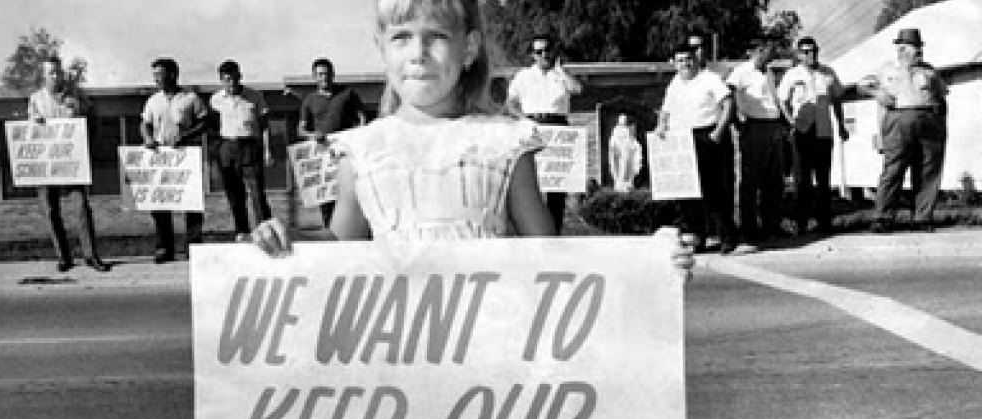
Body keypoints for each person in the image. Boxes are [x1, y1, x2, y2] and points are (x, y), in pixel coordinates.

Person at [251, 0, 694, 278]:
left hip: (487, 349)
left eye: (437, 37)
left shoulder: (503, 143)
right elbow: (340, 248)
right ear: (381, 48)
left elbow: (549, 252)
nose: (418, 54)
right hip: (396, 348)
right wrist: (282, 238)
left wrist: (646, 263)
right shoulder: (361, 150)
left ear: (469, 48)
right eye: (401, 37)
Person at [857, 28, 948, 233]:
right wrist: (877, 92)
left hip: (929, 120)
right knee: (893, 169)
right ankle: (883, 217)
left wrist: (941, 122)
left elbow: (942, 94)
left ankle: (922, 218)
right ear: (902, 49)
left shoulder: (929, 71)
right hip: (898, 119)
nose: (919, 52)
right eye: (915, 48)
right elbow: (861, 85)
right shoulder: (886, 70)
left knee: (928, 169)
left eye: (919, 47)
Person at [27, 56, 110, 273]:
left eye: (58, 72)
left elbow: (93, 121)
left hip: (72, 162)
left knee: (81, 207)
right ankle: (63, 257)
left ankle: (91, 256)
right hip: (47, 164)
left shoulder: (76, 98)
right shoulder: (35, 99)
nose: (55, 76)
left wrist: (88, 147)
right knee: (50, 209)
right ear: (43, 76)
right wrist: (34, 124)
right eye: (51, 73)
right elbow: (28, 133)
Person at [655, 44, 738, 254]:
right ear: (674, 63)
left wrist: (719, 130)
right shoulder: (674, 83)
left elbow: (728, 104)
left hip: (707, 135)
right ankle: (697, 238)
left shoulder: (710, 79)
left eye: (688, 59)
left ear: (696, 59)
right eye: (680, 60)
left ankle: (727, 238)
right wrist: (661, 127)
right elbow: (665, 111)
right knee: (688, 192)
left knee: (714, 191)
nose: (685, 63)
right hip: (682, 140)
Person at [505, 32, 583, 234]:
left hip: (558, 129)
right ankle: (534, 235)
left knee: (557, 190)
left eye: (547, 50)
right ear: (533, 55)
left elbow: (577, 90)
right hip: (533, 126)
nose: (544, 54)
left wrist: (561, 71)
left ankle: (555, 234)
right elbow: (510, 103)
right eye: (539, 51)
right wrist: (524, 120)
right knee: (534, 185)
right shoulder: (523, 76)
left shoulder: (561, 75)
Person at [140, 58, 210, 263]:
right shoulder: (153, 100)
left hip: (185, 155)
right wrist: (148, 138)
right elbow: (145, 123)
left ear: (173, 74)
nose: (156, 80)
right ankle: (164, 248)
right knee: (160, 202)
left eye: (160, 75)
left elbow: (205, 122)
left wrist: (187, 136)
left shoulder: (190, 98)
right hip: (162, 157)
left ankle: (194, 245)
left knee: (192, 203)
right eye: (154, 76)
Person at [777, 37, 848, 237]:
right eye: (806, 52)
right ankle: (801, 223)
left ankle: (824, 223)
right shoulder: (792, 75)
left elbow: (837, 100)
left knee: (824, 180)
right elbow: (782, 101)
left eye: (814, 51)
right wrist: (791, 122)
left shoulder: (828, 73)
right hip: (802, 131)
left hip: (824, 131)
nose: (811, 55)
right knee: (802, 181)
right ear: (799, 55)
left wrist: (841, 125)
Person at [726, 38, 788, 242]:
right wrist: (738, 123)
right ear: (757, 51)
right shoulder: (741, 72)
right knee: (752, 179)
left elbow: (774, 100)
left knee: (774, 179)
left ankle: (772, 225)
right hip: (755, 126)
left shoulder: (769, 72)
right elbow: (731, 95)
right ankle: (749, 228)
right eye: (767, 50)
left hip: (773, 125)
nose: (770, 53)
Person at [296, 57, 367, 226]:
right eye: (319, 74)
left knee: (349, 192)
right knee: (327, 198)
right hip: (322, 154)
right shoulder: (309, 100)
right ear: (314, 77)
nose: (324, 77)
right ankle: (329, 231)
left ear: (333, 74)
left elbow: (362, 117)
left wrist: (357, 135)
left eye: (327, 73)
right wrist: (312, 135)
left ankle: (351, 230)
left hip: (344, 152)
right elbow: (300, 129)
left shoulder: (348, 94)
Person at [210, 60, 273, 241]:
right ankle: (242, 232)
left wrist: (268, 151)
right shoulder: (215, 100)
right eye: (227, 80)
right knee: (235, 195)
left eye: (235, 78)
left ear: (240, 77)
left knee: (257, 193)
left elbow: (265, 126)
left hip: (250, 146)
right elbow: (213, 128)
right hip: (227, 147)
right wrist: (218, 151)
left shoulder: (254, 96)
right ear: (221, 81)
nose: (232, 83)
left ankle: (266, 232)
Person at [608, 114, 642, 192]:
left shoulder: (628, 129)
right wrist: (613, 148)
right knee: (620, 167)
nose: (623, 121)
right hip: (619, 153)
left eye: (625, 119)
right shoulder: (616, 130)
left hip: (628, 152)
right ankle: (620, 182)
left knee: (628, 167)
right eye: (622, 119)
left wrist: (636, 147)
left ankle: (627, 182)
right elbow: (612, 141)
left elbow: (632, 140)